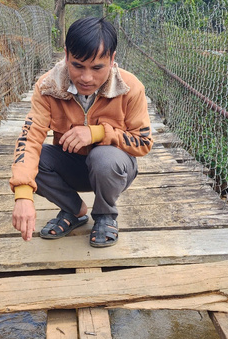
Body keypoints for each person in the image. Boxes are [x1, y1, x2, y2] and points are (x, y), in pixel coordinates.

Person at [10, 16, 153, 247]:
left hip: (113, 169)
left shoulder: (130, 87)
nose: (86, 78)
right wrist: (23, 194)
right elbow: (30, 138)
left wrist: (97, 134)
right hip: (72, 166)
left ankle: (105, 215)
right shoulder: (48, 87)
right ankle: (74, 211)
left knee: (103, 157)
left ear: (112, 59)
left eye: (97, 68)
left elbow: (144, 143)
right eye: (77, 65)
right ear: (66, 55)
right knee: (34, 160)